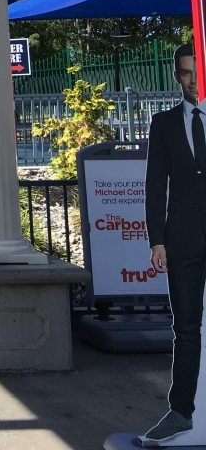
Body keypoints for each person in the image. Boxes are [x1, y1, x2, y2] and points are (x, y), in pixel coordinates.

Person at [144, 43, 206, 445]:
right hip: (181, 240)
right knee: (185, 328)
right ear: (177, 76)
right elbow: (154, 186)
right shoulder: (163, 123)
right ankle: (181, 411)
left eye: (198, 70)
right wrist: (157, 241)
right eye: (186, 72)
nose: (194, 79)